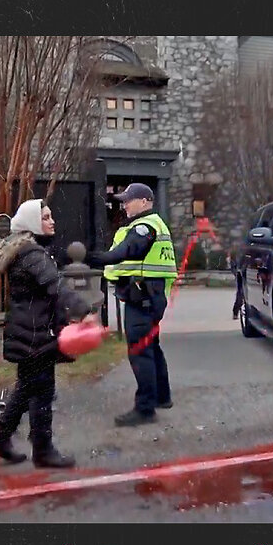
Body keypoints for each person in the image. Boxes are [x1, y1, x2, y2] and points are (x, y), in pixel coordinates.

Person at [0, 198, 95, 468]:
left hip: (27, 332)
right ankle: (43, 451)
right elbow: (56, 286)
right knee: (42, 392)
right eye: (45, 217)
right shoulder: (33, 254)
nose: (52, 221)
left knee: (26, 389)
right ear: (33, 223)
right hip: (35, 335)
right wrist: (84, 309)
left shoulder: (25, 251)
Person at [84, 182, 176, 426]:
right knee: (151, 346)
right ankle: (161, 397)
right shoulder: (152, 223)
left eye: (128, 200)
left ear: (144, 201)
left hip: (142, 296)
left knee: (140, 351)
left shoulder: (145, 226)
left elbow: (129, 250)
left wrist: (93, 258)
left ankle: (145, 408)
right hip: (149, 295)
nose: (123, 205)